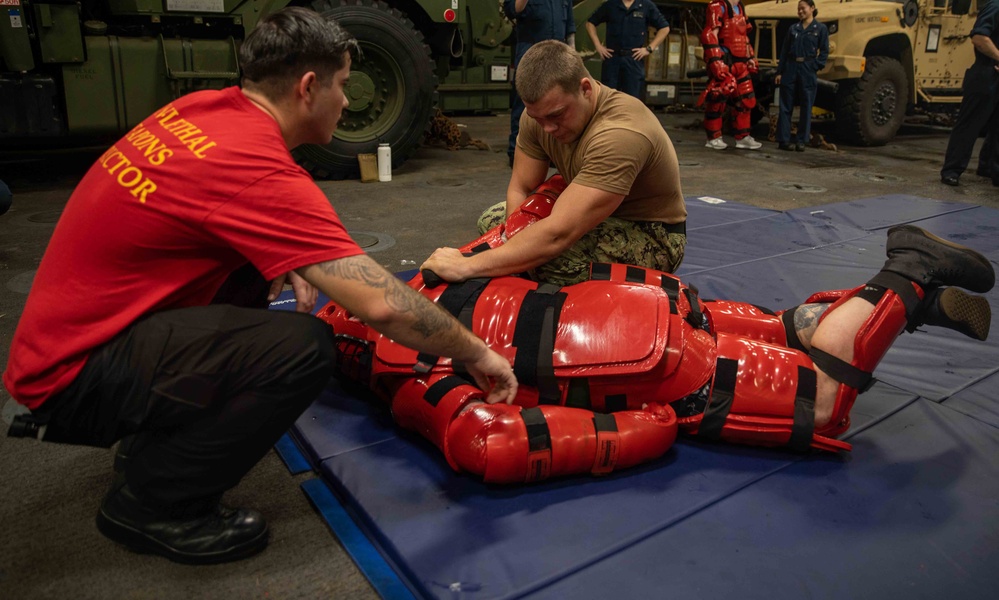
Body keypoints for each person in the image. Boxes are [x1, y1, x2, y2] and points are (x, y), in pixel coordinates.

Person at [2, 8, 516, 566]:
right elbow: (380, 306)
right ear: (308, 87)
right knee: (300, 348)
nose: (347, 102)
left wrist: (282, 255)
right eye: (342, 86)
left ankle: (151, 443)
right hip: (72, 377)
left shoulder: (202, 111)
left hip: (67, 342)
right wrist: (478, 352)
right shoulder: (256, 167)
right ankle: (154, 504)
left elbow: (203, 215)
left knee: (254, 275)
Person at [336, 202, 994, 482]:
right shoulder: (428, 272)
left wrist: (626, 433)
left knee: (820, 400)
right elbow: (529, 219)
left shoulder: (403, 367)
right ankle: (916, 305)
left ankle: (906, 271)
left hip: (635, 363)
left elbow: (487, 441)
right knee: (782, 329)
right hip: (634, 306)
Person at [422, 40, 687, 288]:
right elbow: (521, 188)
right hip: (594, 218)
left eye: (557, 115)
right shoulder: (538, 116)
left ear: (585, 89)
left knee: (548, 257)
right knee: (493, 219)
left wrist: (468, 266)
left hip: (651, 233)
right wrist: (516, 237)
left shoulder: (621, 132)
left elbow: (557, 234)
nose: (548, 128)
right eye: (538, 118)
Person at [504, 0, 576, 168]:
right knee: (525, 104)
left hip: (558, 52)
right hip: (530, 51)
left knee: (557, 104)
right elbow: (512, 10)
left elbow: (570, 26)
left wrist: (573, 53)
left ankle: (551, 154)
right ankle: (516, 153)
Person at [941, 0, 999, 187]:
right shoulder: (996, 6)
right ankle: (952, 170)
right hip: (986, 74)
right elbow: (979, 37)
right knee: (970, 125)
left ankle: (989, 168)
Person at [699, 0, 763, 150]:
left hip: (741, 64)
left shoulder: (740, 8)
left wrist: (750, 57)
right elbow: (709, 34)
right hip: (726, 62)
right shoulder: (717, 6)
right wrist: (715, 61)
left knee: (746, 100)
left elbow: (744, 37)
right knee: (717, 100)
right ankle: (713, 137)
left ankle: (743, 137)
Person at [584, 0, 671, 99]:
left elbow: (664, 28)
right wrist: (598, 46)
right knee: (608, 98)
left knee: (633, 100)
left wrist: (649, 49)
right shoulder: (611, 5)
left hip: (633, 60)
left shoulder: (646, 5)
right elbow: (590, 23)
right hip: (612, 60)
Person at [774, 0, 829, 152]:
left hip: (807, 69)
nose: (800, 11)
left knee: (806, 105)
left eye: (803, 8)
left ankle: (801, 140)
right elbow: (784, 51)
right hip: (791, 67)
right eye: (798, 9)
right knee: (785, 106)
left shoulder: (820, 29)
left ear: (812, 8)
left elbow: (824, 51)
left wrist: (816, 66)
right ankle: (783, 140)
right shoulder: (793, 29)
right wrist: (779, 72)